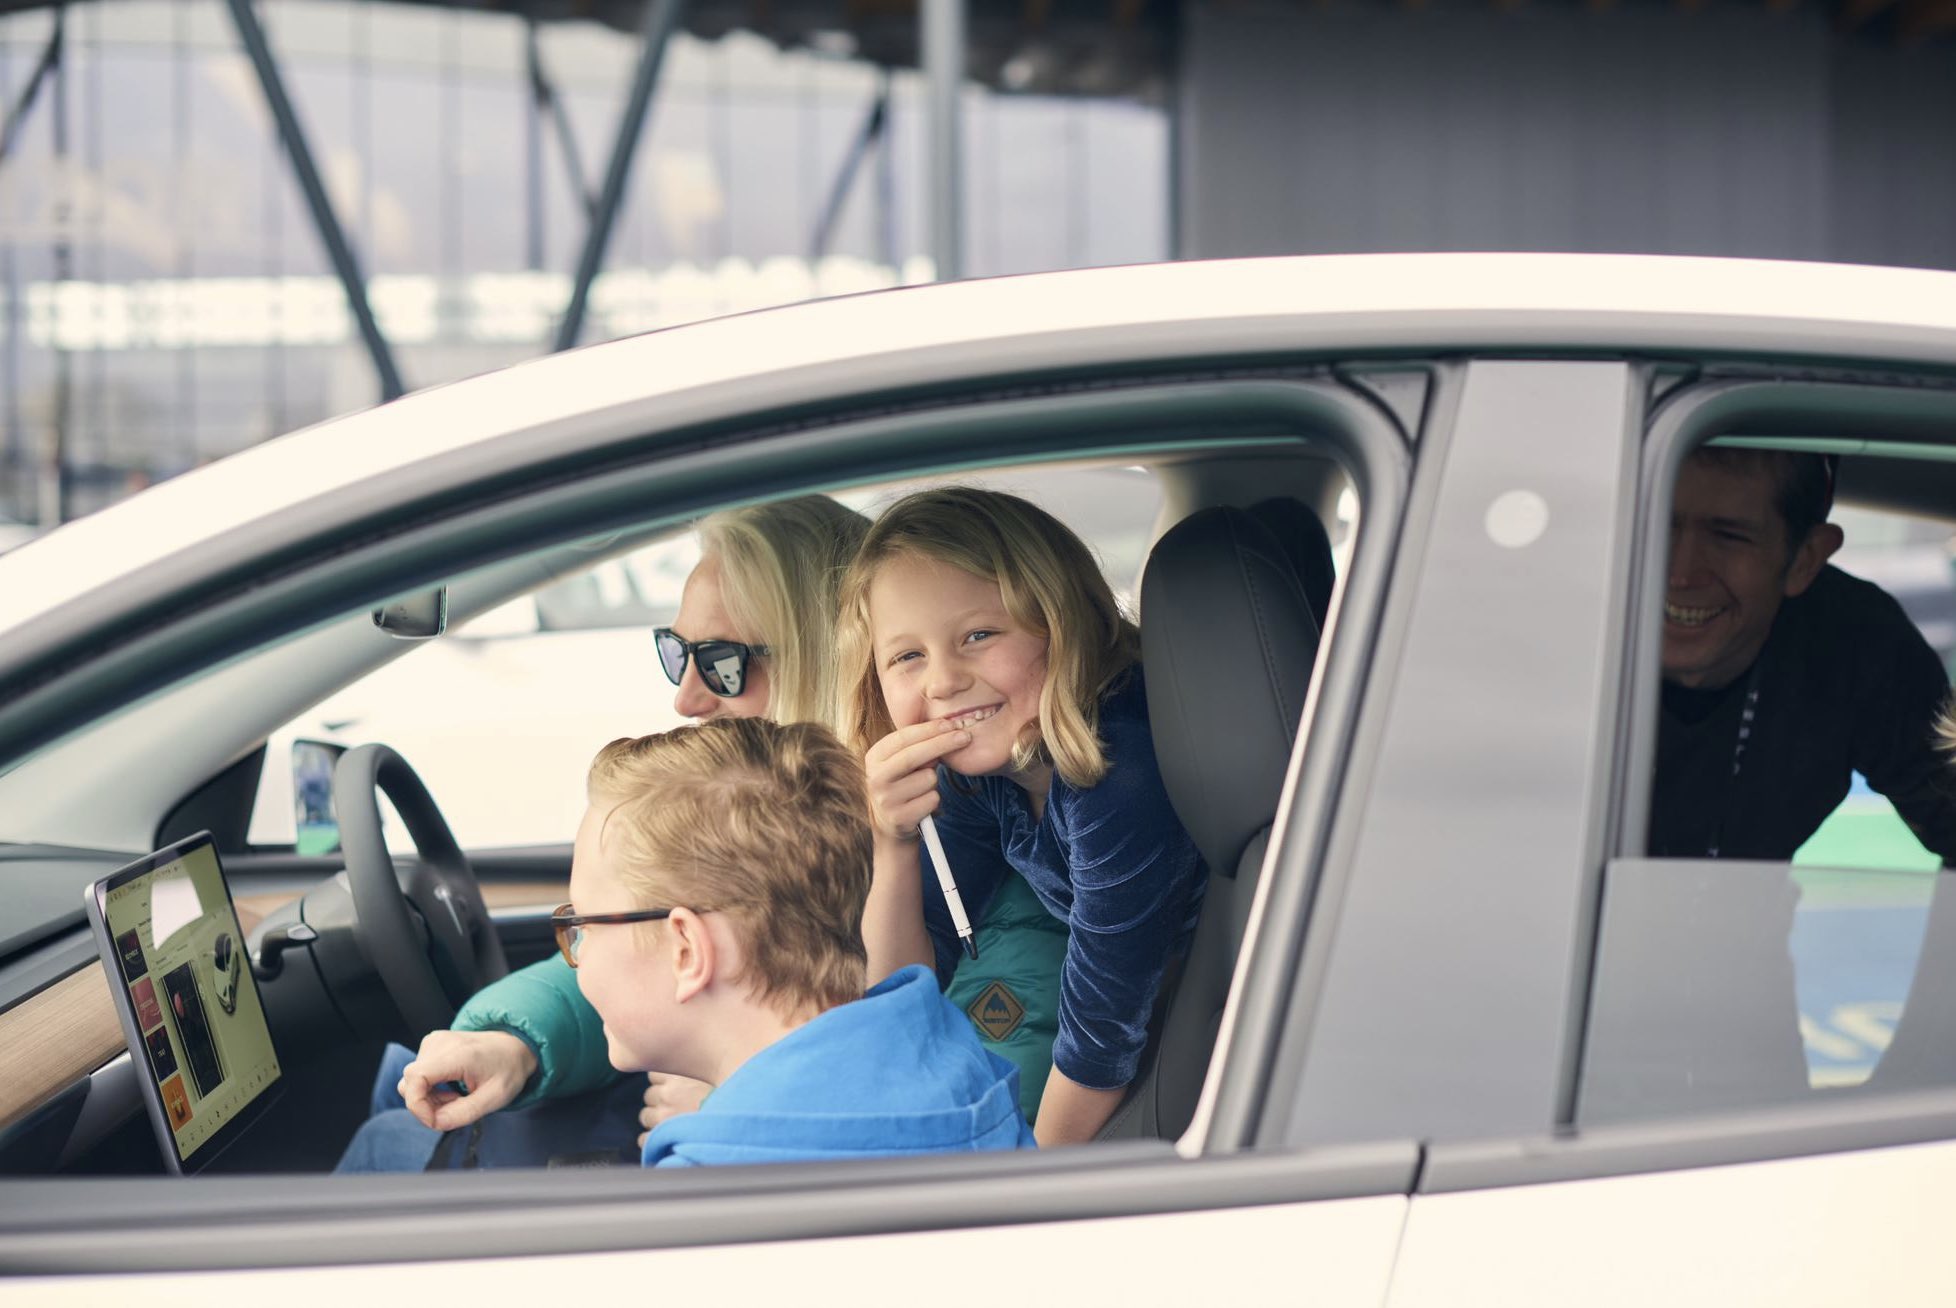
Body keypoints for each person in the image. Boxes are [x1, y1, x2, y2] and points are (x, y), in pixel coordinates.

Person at [339, 495, 872, 1171]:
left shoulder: (903, 852)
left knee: (388, 1146)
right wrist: (513, 1042)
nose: (685, 698)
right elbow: (642, 960)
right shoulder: (757, 822)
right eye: (676, 651)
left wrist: (730, 1107)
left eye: (723, 663)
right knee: (407, 1083)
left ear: (826, 658)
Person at [404, 718, 1036, 1167]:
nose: (579, 956)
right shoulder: (954, 1057)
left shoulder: (717, 1184)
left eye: (582, 928)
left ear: (686, 949)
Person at [840, 487, 1206, 1147]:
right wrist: (892, 842)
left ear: (1061, 623)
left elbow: (1100, 1041)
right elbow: (904, 994)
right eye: (907, 656)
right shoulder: (987, 768)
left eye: (979, 635)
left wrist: (1028, 1191)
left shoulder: (1119, 774)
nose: (943, 681)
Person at [1647, 446, 1956, 863]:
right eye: (1657, 526)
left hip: (1741, 924)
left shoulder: (1856, 642)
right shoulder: (1561, 624)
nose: (1681, 573)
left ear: (1805, 561)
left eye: (1728, 536)